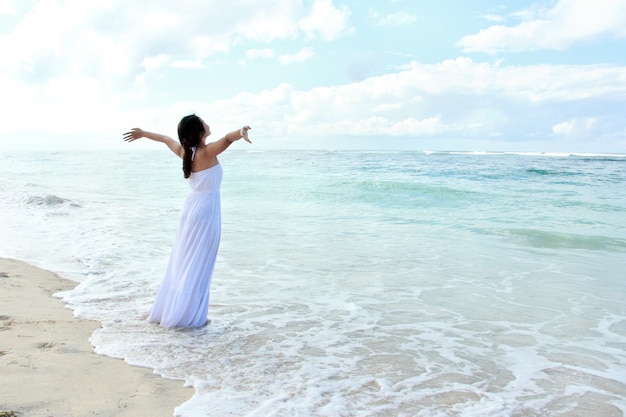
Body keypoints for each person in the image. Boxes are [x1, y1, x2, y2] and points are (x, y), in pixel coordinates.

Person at [123, 114, 251, 328]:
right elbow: (227, 139)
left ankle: (180, 310)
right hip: (206, 213)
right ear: (200, 132)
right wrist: (240, 132)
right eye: (204, 123)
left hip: (191, 210)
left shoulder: (185, 153)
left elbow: (165, 138)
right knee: (199, 262)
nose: (208, 123)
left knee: (184, 261)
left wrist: (143, 133)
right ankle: (187, 316)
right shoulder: (206, 151)